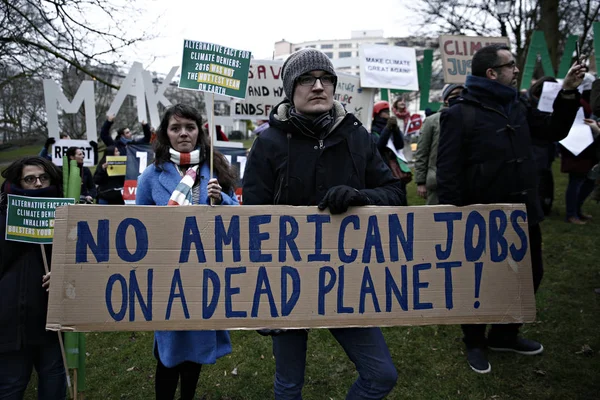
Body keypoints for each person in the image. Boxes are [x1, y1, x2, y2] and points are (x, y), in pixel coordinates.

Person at [243, 48, 402, 400]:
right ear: (290, 89)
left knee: (381, 375)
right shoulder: (267, 144)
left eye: (325, 78)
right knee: (288, 386)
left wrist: (362, 197)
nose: (318, 86)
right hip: (285, 283)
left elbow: (395, 193)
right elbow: (250, 219)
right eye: (306, 79)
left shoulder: (356, 136)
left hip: (348, 279)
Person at [437, 43, 586, 374]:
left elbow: (552, 131)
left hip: (522, 213)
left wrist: (568, 93)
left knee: (530, 274)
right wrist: (456, 217)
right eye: (510, 65)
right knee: (478, 283)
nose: (517, 70)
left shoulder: (518, 104)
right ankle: (474, 342)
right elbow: (448, 173)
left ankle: (505, 335)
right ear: (492, 73)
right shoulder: (459, 113)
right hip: (480, 217)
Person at [136, 104, 238, 400]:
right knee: (169, 355)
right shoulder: (150, 177)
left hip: (206, 274)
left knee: (195, 352)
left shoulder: (215, 170)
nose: (183, 134)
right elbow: (137, 227)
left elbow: (239, 218)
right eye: (176, 128)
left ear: (199, 131)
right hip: (168, 276)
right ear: (165, 134)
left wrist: (222, 201)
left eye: (190, 128)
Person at [0, 156, 67, 399]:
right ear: (18, 182)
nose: (38, 184)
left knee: (54, 379)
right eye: (30, 179)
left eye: (43, 177)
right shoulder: (3, 216)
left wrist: (63, 272)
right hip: (10, 321)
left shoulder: (67, 214)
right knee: (11, 385)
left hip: (50, 318)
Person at [414, 83, 463, 205]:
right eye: (455, 94)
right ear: (446, 99)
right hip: (437, 182)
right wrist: (420, 181)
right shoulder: (432, 121)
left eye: (463, 94)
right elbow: (422, 151)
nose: (460, 97)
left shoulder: (470, 117)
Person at [370, 100, 410, 205]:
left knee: (401, 196)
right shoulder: (372, 130)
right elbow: (378, 146)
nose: (388, 113)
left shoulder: (392, 127)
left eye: (388, 111)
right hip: (383, 168)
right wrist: (387, 129)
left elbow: (400, 145)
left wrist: (396, 130)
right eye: (385, 111)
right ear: (378, 114)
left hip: (396, 169)